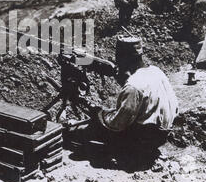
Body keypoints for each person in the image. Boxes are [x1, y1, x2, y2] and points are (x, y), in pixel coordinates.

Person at [67, 36, 179, 170]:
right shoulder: (156, 71)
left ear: (123, 58)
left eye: (118, 57)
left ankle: (126, 154)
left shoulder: (133, 86)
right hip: (162, 134)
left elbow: (116, 124)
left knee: (80, 132)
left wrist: (98, 113)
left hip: (144, 140)